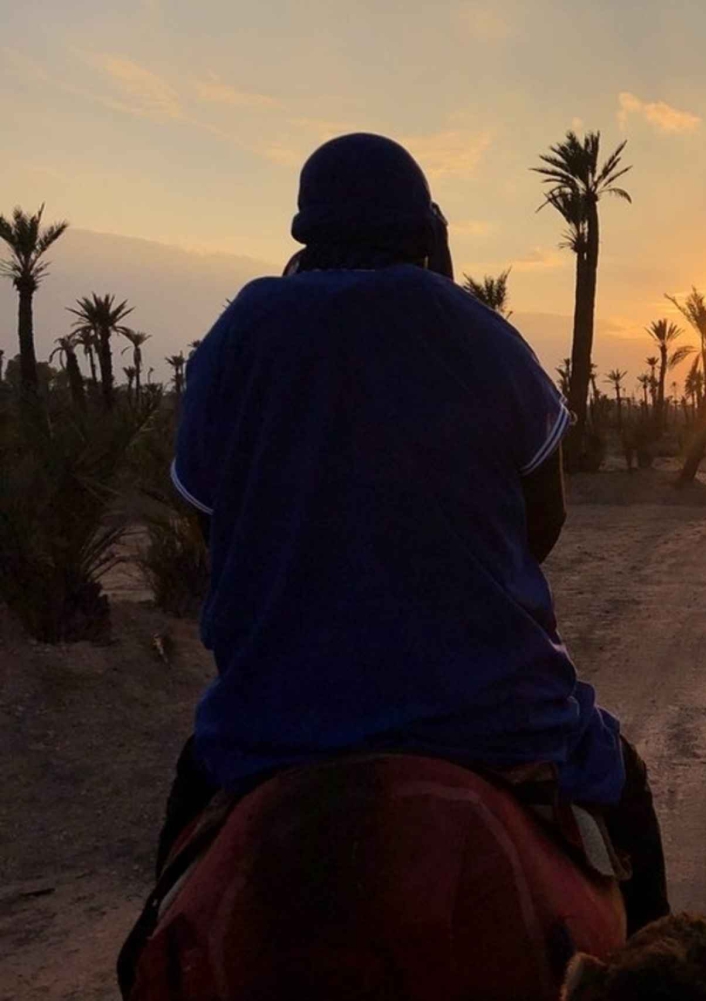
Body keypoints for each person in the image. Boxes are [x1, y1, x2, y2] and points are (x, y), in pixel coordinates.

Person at [121, 133, 667, 989]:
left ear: (305, 229)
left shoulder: (240, 334)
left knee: (175, 866)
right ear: (427, 227)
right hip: (492, 711)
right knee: (625, 788)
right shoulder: (478, 333)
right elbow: (545, 515)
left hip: (276, 712)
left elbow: (205, 520)